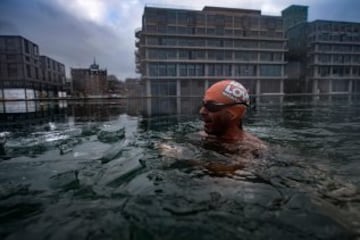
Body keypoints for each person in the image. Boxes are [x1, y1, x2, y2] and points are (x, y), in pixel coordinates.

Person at [199, 80, 267, 159]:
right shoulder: (202, 136)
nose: (202, 111)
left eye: (211, 107)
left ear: (234, 113)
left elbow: (240, 169)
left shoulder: (252, 149)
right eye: (203, 104)